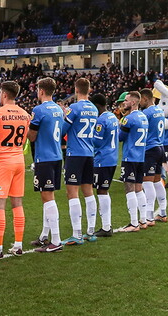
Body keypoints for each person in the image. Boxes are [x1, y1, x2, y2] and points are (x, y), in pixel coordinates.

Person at [0, 81, 30, 259]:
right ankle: (18, 245)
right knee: (17, 203)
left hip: (3, 162)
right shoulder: (25, 114)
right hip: (19, 160)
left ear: (4, 94)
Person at [28, 77, 66, 252]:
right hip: (57, 156)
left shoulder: (39, 110)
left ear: (41, 91)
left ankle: (56, 241)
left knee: (47, 197)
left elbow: (32, 136)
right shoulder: (58, 109)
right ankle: (45, 236)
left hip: (45, 157)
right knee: (47, 196)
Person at [61, 78, 99, 245]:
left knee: (72, 192)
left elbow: (63, 129)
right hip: (89, 153)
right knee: (88, 191)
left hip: (75, 153)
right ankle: (90, 231)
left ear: (76, 90)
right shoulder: (94, 108)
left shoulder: (73, 108)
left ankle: (76, 234)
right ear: (89, 90)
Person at [116, 91, 148, 233]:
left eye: (127, 100)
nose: (124, 103)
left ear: (133, 102)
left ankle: (133, 223)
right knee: (139, 189)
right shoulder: (144, 117)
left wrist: (118, 125)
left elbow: (120, 137)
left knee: (129, 189)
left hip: (130, 157)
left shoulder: (129, 119)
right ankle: (144, 220)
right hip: (141, 157)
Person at [90, 93, 119, 236]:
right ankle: (106, 225)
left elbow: (97, 141)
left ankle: (106, 227)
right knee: (103, 190)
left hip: (102, 159)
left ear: (97, 106)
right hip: (112, 158)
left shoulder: (101, 120)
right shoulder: (113, 116)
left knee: (101, 191)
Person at [139, 89, 168, 225]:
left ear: (145, 98)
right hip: (160, 147)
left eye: (141, 100)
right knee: (157, 181)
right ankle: (163, 212)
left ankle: (149, 216)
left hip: (150, 148)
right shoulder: (159, 110)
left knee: (147, 182)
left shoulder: (147, 113)